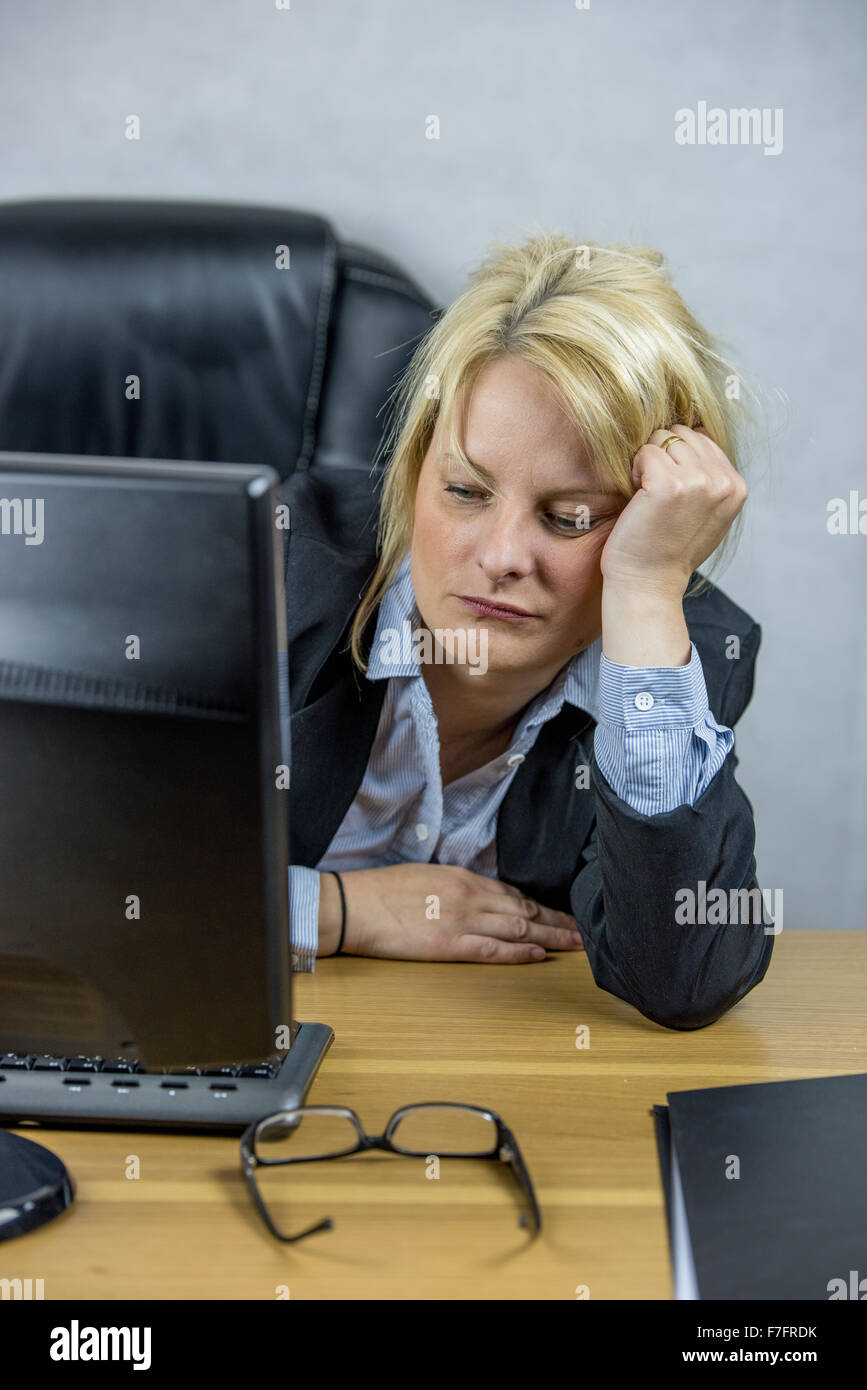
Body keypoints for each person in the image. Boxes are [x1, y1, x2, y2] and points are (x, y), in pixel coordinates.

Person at [279, 232, 774, 1030]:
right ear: (413, 470)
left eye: (570, 516)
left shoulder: (680, 656)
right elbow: (76, 883)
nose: (502, 557)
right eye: (466, 492)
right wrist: (335, 911)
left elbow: (684, 978)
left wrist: (647, 595)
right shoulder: (270, 573)